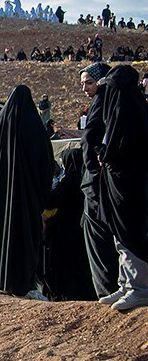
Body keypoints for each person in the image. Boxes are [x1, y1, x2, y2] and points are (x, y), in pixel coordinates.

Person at [0, 85, 53, 298]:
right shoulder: (33, 129)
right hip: (26, 201)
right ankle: (23, 283)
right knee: (25, 241)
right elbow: (44, 166)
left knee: (1, 238)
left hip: (0, 202)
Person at [95, 65, 148, 311]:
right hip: (119, 182)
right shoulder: (126, 108)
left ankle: (140, 288)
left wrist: (106, 155)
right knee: (120, 232)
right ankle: (126, 283)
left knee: (130, 231)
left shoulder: (128, 110)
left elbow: (122, 145)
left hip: (130, 184)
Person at [79, 62, 120, 299]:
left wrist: (95, 164)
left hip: (99, 181)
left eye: (90, 82)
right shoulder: (100, 101)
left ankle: (109, 289)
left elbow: (93, 139)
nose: (85, 87)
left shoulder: (105, 101)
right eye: (82, 83)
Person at [42, 148, 96, 301]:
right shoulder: (85, 179)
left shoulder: (69, 181)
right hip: (81, 228)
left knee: (67, 268)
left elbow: (52, 200)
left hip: (65, 233)